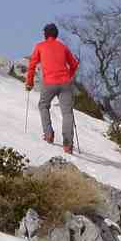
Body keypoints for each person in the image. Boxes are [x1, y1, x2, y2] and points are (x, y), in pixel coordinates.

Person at [25, 23, 81, 153]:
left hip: (49, 83)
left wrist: (29, 82)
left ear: (45, 34)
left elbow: (32, 64)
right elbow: (74, 64)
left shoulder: (40, 46)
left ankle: (48, 133)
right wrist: (69, 76)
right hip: (65, 83)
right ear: (56, 34)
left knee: (43, 105)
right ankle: (68, 144)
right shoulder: (63, 47)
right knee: (67, 113)